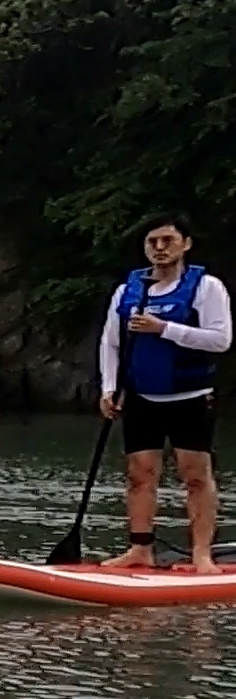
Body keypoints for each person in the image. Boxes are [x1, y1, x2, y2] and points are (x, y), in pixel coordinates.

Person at [98, 216, 230, 572]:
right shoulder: (129, 291)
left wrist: (164, 328)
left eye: (167, 240)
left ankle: (202, 553)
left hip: (190, 394)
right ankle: (140, 548)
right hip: (141, 396)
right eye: (152, 241)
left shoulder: (207, 287)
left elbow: (220, 339)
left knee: (195, 473)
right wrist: (110, 387)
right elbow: (111, 342)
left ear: (185, 244)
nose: (159, 248)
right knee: (140, 473)